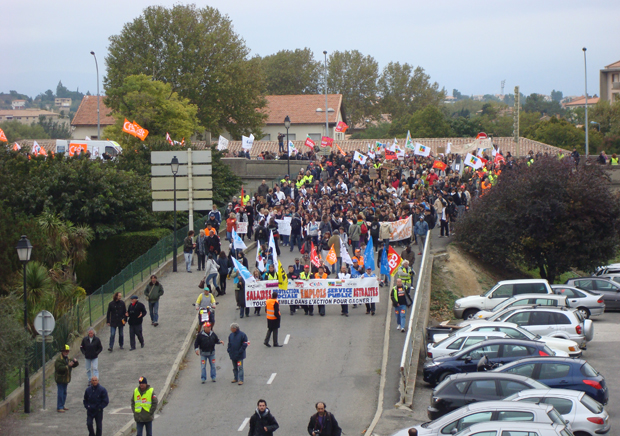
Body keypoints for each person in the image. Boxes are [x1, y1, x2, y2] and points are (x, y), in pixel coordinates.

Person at [55, 344, 79, 412]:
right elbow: (59, 368)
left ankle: (62, 405)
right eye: (65, 351)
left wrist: (75, 362)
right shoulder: (59, 359)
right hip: (60, 379)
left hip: (66, 379)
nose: (67, 353)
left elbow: (74, 365)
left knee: (64, 392)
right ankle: (59, 407)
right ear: (62, 351)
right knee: (60, 393)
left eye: (67, 351)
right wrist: (68, 366)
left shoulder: (67, 358)